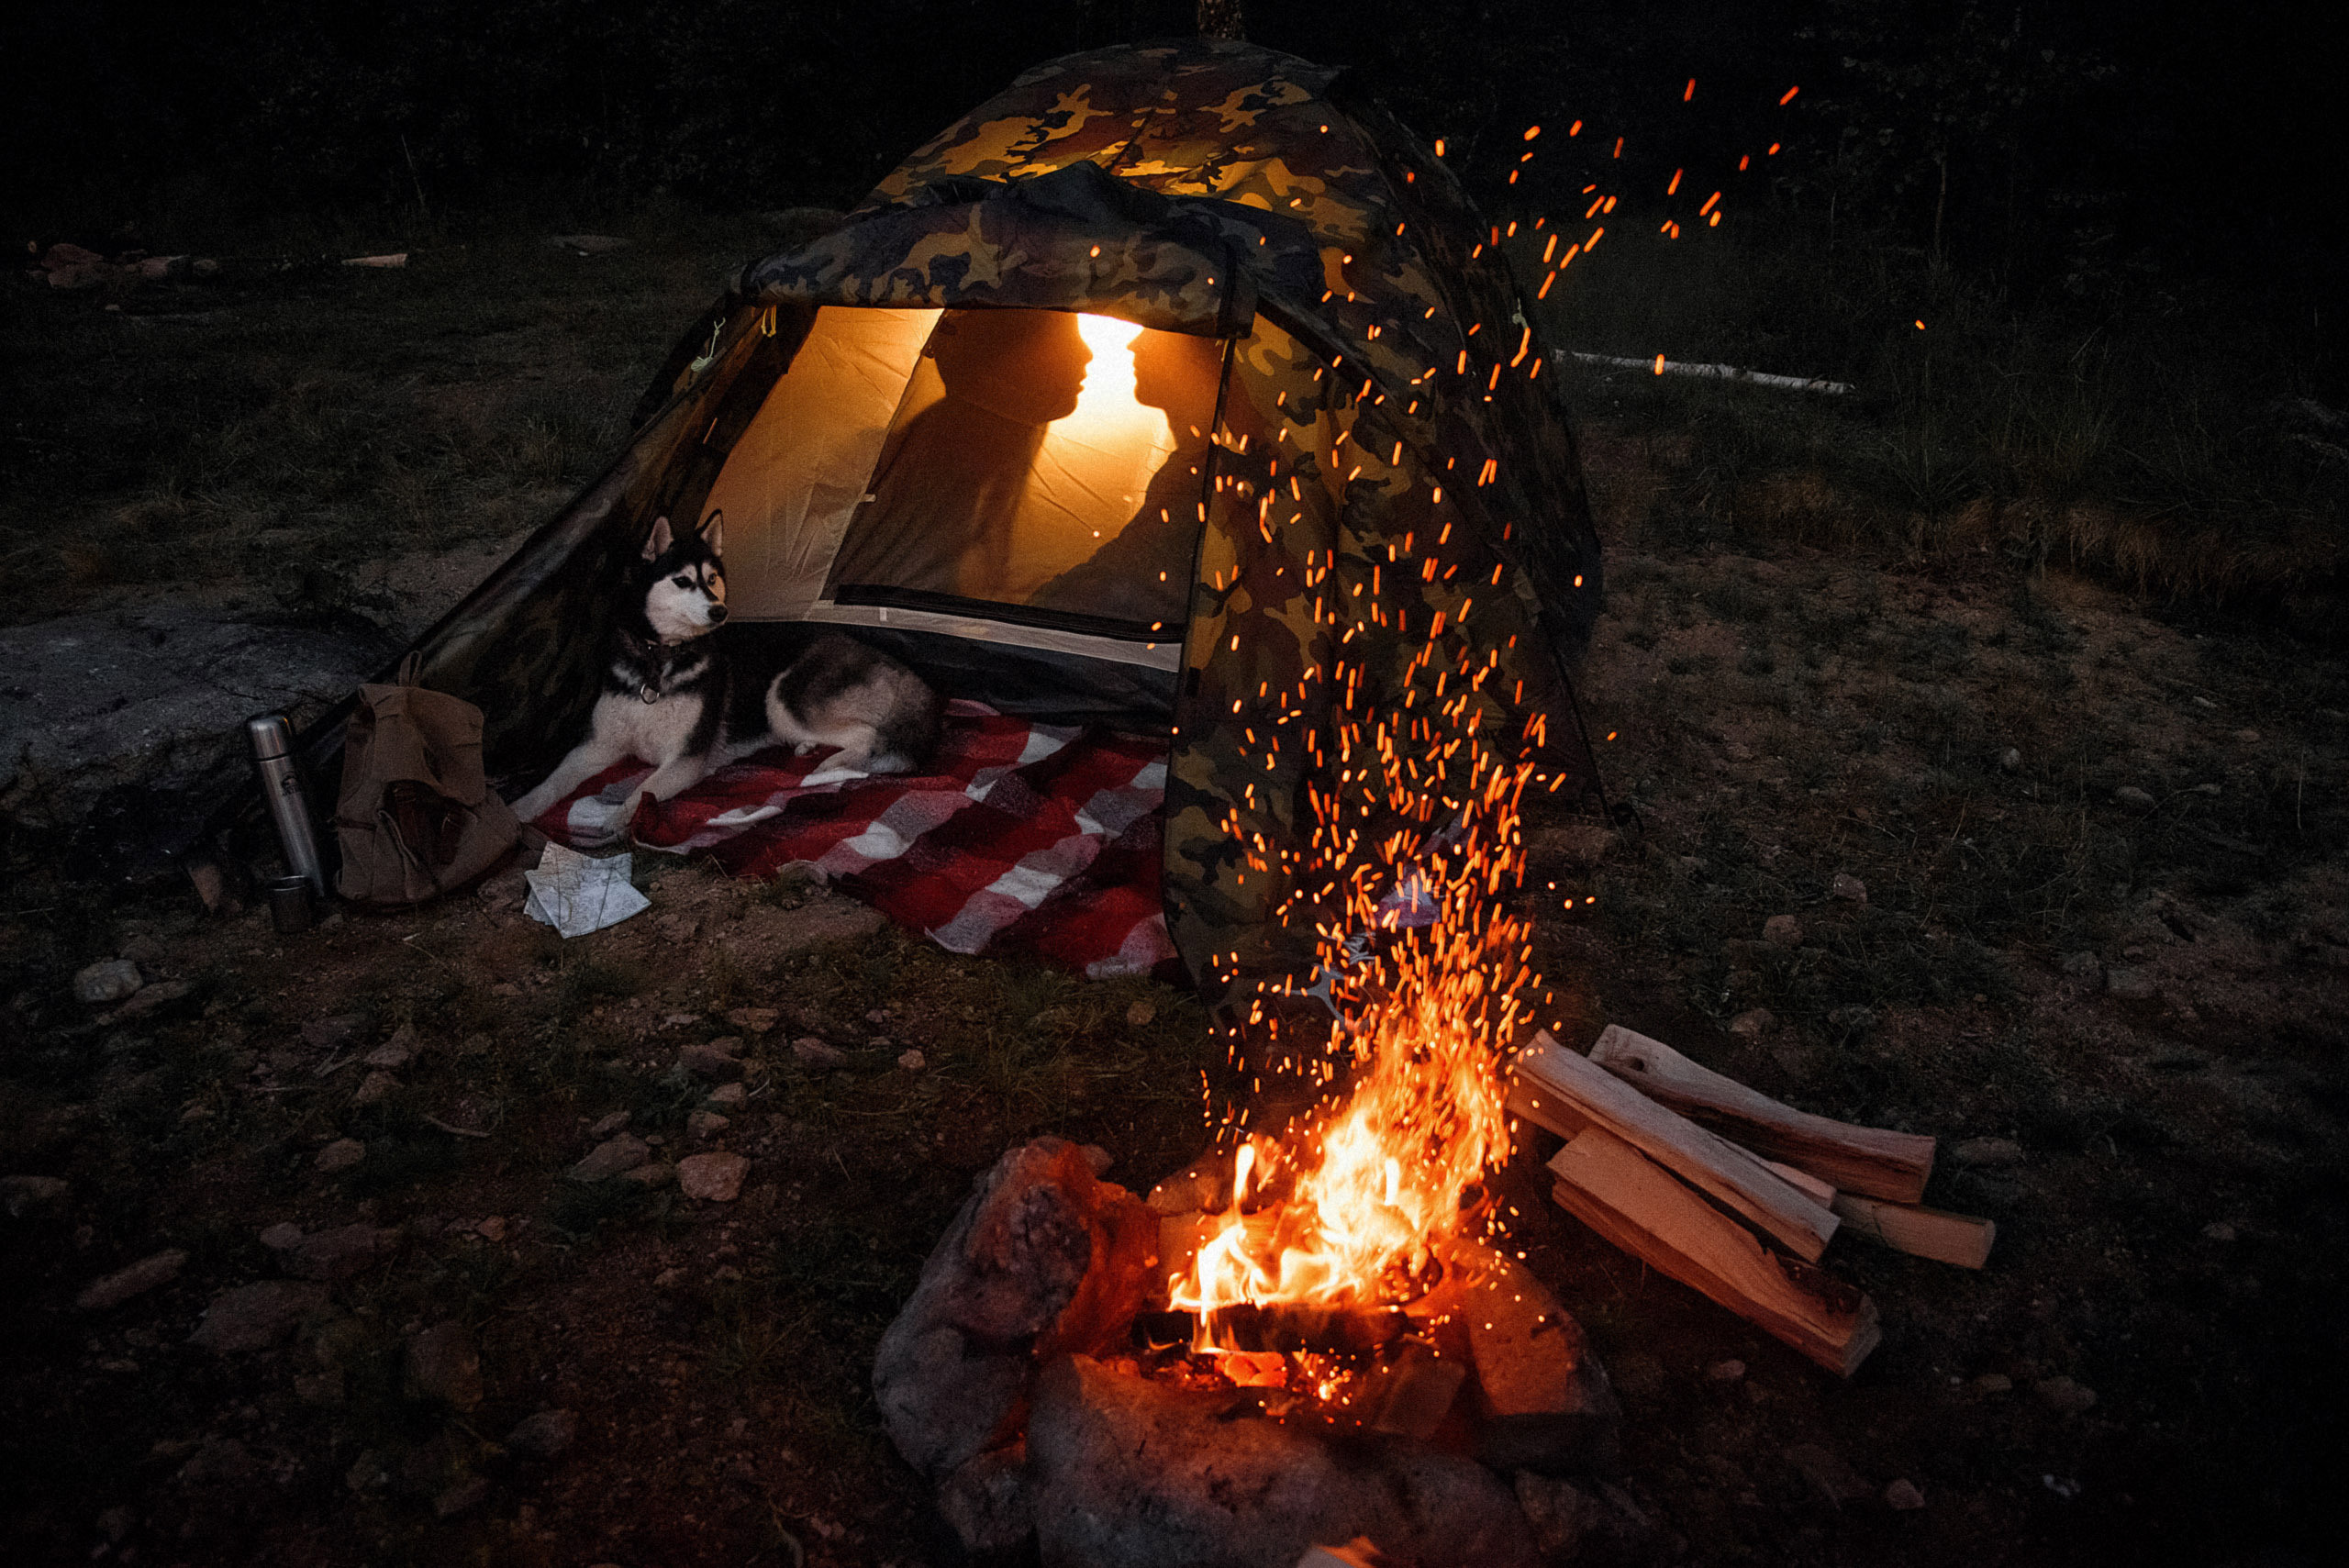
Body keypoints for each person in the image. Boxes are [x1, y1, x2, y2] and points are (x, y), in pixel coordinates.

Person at [827, 308, 1091, 604]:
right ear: (1009, 357)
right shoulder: (938, 486)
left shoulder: (954, 466)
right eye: (1064, 338)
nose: (1086, 353)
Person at [1031, 327, 1243, 630]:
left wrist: (1034, 610)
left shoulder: (1206, 479)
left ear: (1202, 358)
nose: (1134, 344)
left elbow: (1123, 583)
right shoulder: (1190, 465)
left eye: (1161, 334)